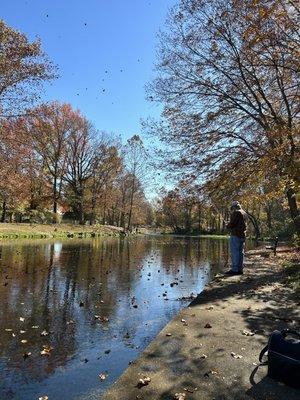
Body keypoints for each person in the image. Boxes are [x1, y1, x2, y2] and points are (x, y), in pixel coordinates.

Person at [226, 201, 247, 275]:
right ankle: (240, 269)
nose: (232, 209)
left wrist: (227, 225)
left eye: (232, 208)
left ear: (234, 207)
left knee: (235, 252)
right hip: (242, 235)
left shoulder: (236, 213)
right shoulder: (244, 213)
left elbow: (232, 224)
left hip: (236, 235)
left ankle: (235, 270)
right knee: (241, 253)